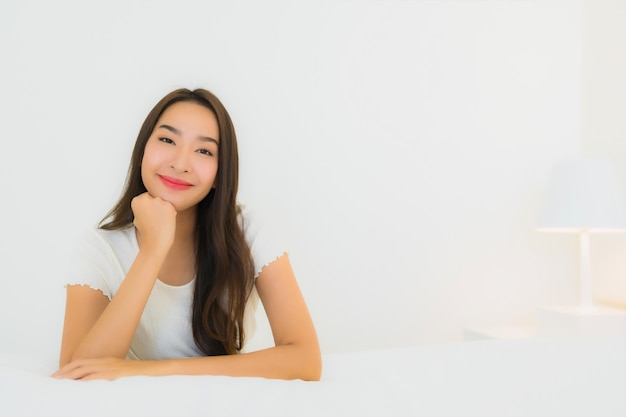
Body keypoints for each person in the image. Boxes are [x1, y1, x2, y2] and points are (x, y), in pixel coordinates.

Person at [52, 88, 321, 381]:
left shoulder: (247, 232)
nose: (180, 164)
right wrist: (153, 250)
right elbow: (75, 375)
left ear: (220, 173)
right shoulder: (100, 248)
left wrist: (157, 370)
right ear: (143, 150)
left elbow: (305, 359)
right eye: (167, 140)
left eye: (204, 150)